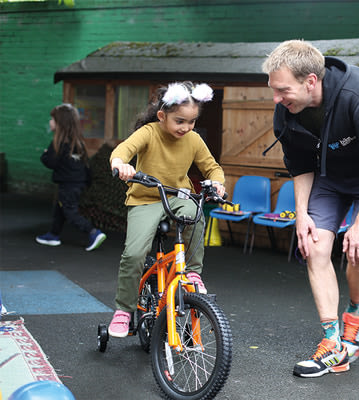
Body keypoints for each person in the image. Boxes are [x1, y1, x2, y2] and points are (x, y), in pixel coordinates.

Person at [262, 40, 359, 378]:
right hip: (330, 177)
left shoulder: (357, 95)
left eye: (283, 90)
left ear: (310, 81)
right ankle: (333, 343)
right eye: (274, 90)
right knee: (314, 248)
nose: (276, 99)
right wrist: (302, 214)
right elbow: (299, 165)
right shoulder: (286, 110)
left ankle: (354, 316)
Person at [108, 81, 226, 338]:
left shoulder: (193, 140)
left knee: (195, 214)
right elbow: (123, 150)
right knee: (135, 252)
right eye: (180, 121)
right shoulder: (149, 133)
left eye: (191, 122)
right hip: (145, 198)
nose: (186, 128)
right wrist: (120, 164)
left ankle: (193, 274)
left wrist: (217, 182)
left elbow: (212, 167)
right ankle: (124, 310)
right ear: (162, 116)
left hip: (177, 195)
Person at [36, 103, 107, 251]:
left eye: (53, 119)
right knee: (60, 208)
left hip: (68, 184)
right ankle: (53, 234)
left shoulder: (60, 143)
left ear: (60, 123)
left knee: (69, 211)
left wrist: (44, 154)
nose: (50, 122)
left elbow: (52, 162)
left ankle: (93, 232)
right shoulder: (77, 142)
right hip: (77, 183)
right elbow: (85, 165)